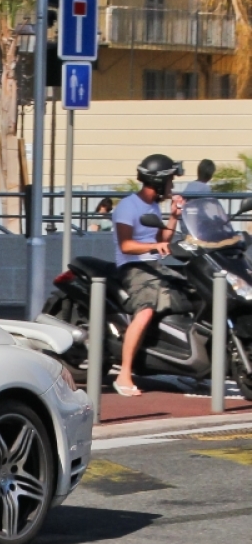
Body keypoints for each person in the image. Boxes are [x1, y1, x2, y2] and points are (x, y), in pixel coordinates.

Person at [111, 153, 188, 397]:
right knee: (145, 311)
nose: (172, 186)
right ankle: (124, 374)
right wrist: (154, 248)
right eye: (170, 181)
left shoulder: (153, 206)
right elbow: (126, 245)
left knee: (189, 295)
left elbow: (162, 240)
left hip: (153, 266)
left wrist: (174, 216)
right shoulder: (128, 206)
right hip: (133, 268)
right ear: (157, 182)